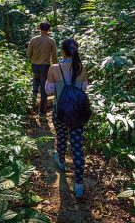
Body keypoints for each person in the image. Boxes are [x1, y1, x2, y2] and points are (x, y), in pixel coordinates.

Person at [45, 38, 88, 199]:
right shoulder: (81, 68)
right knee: (77, 145)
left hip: (60, 112)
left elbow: (49, 91)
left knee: (61, 138)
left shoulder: (54, 68)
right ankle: (78, 185)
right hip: (77, 114)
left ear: (62, 51)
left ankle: (61, 162)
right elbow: (84, 90)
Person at [26, 22, 58, 115]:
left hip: (35, 65)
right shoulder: (51, 41)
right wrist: (55, 67)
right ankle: (42, 111)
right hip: (45, 66)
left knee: (35, 81)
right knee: (44, 87)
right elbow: (55, 57)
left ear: (39, 29)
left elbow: (28, 54)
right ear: (49, 30)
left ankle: (31, 104)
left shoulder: (33, 40)